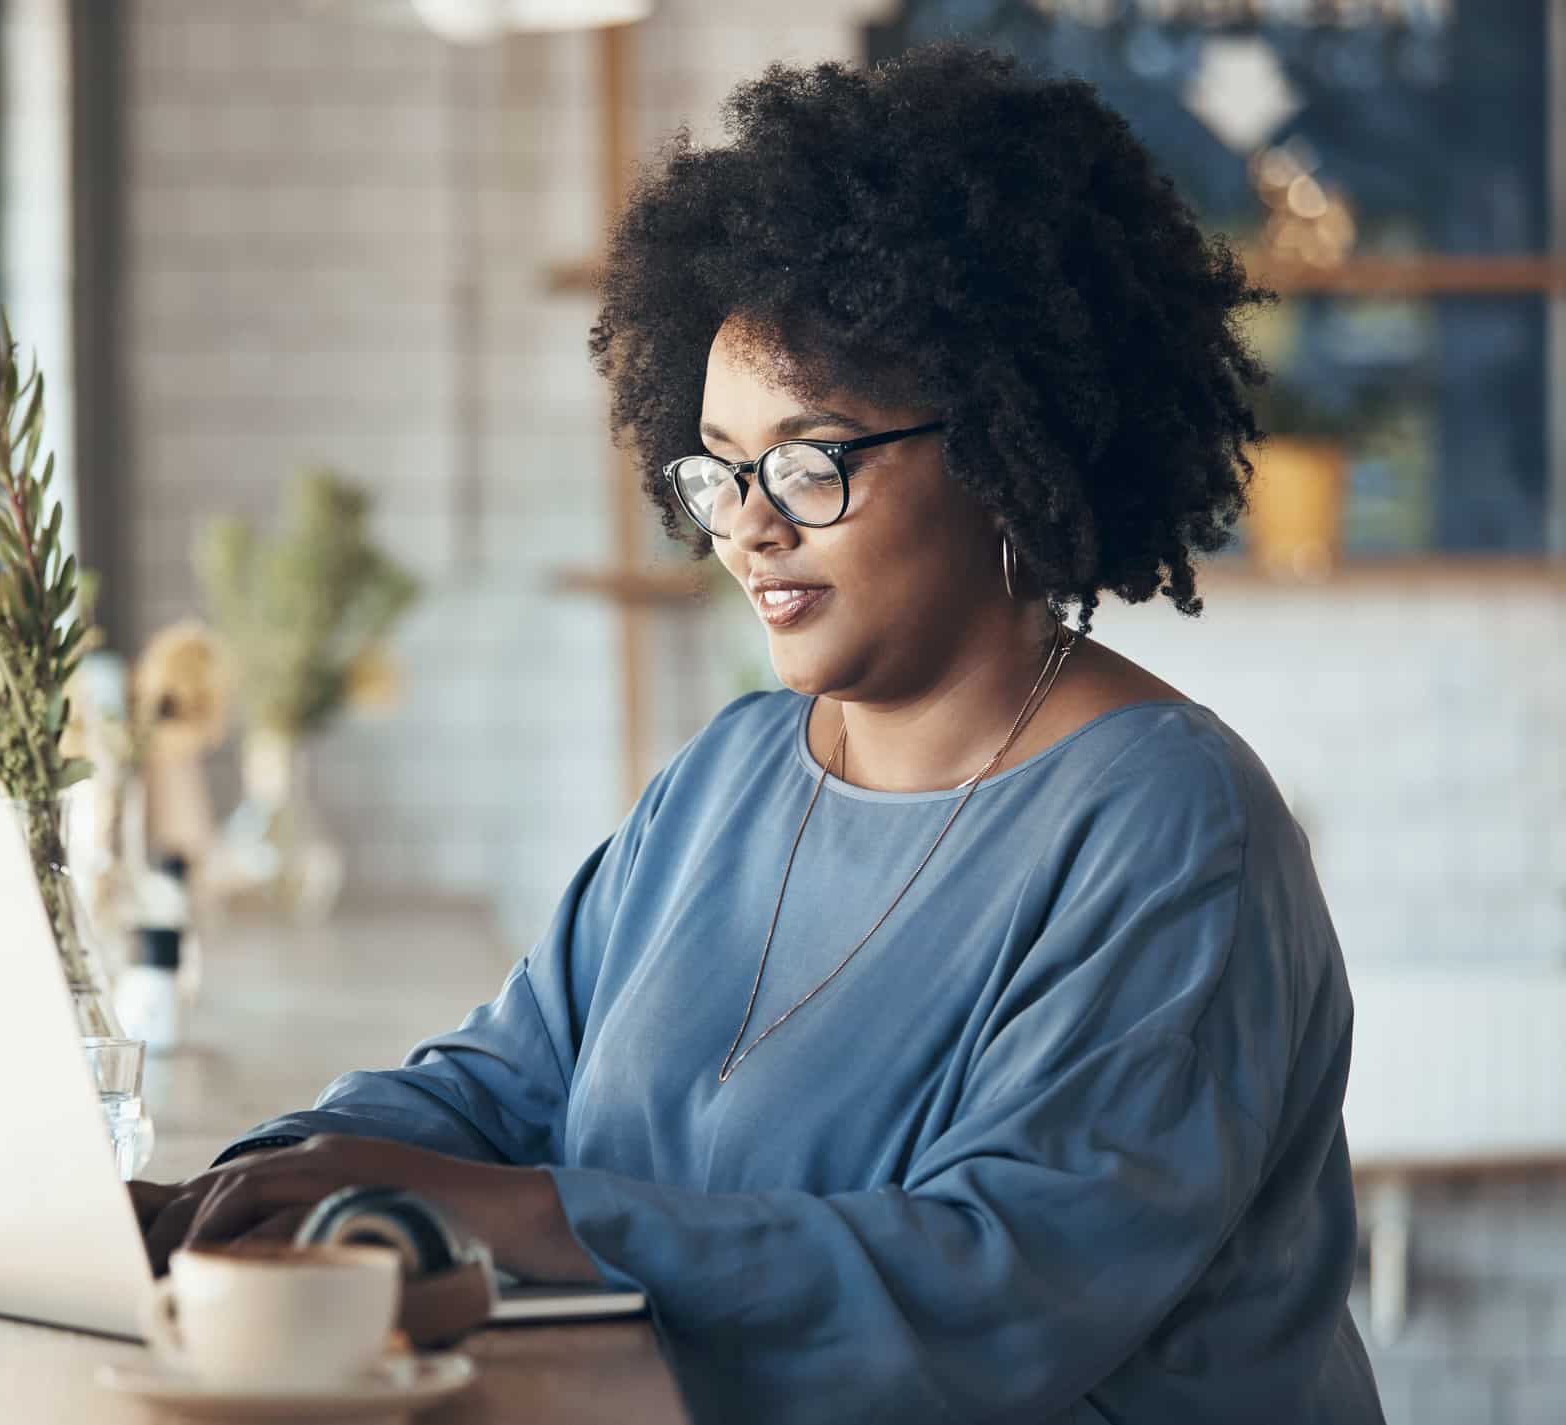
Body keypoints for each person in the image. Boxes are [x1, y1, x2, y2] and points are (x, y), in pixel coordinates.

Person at [133, 43, 1385, 1425]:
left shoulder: (1170, 822)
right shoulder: (730, 774)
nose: (748, 521)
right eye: (719, 465)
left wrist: (518, 1213)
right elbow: (502, 1084)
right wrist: (246, 1180)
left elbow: (993, 1285)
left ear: (1006, 447)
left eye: (812, 457)